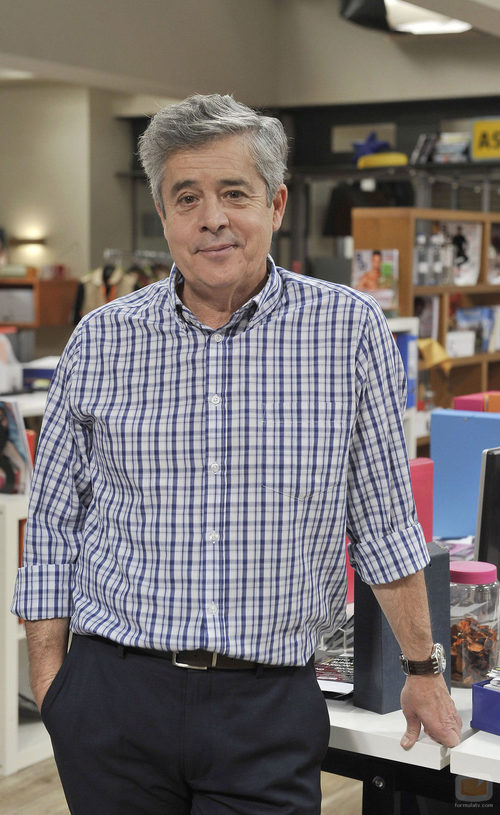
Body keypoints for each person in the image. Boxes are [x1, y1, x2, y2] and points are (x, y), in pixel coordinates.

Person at [12, 94, 461, 815]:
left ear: (275, 204)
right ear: (164, 215)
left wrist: (423, 668)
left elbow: (383, 524)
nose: (211, 217)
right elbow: (54, 525)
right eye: (187, 197)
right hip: (113, 700)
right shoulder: (100, 341)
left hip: (267, 705)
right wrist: (54, 686)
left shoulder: (348, 332)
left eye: (234, 193)